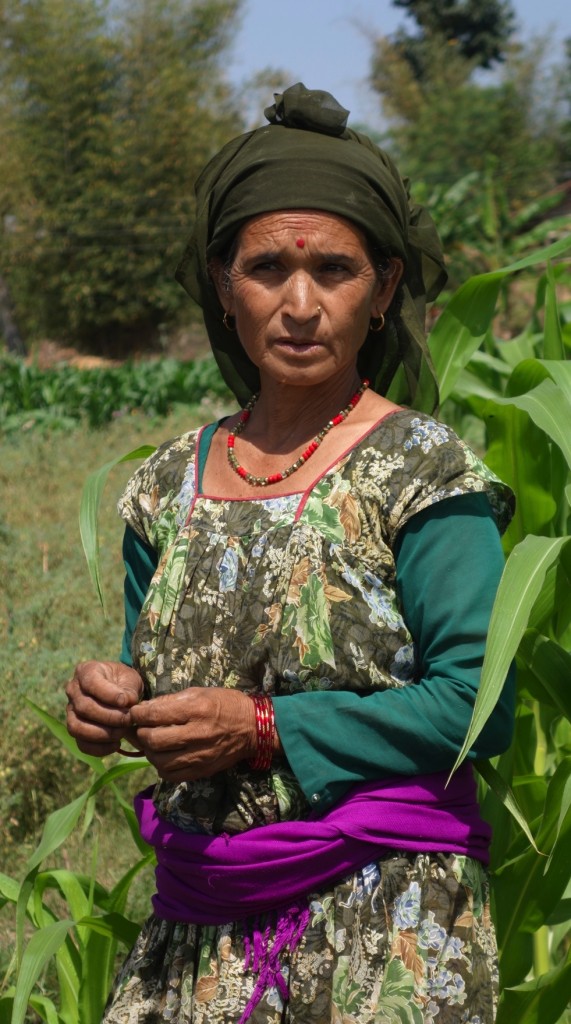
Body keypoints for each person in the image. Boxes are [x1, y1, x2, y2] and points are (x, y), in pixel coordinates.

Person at [66, 83, 515, 1024]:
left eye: (337, 271)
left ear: (384, 289)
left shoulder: (420, 469)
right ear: (223, 287)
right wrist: (112, 700)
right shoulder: (162, 485)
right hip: (196, 926)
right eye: (267, 267)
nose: (301, 304)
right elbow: (153, 670)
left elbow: (477, 702)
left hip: (384, 927)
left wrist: (269, 729)